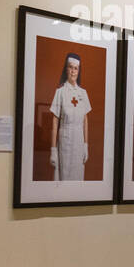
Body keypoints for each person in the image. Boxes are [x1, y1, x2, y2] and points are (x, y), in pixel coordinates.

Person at [49, 53, 90, 181]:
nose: (73, 71)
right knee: (64, 176)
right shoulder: (60, 92)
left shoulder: (83, 93)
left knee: (77, 177)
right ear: (66, 69)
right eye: (70, 67)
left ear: (79, 71)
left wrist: (85, 145)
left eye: (76, 68)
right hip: (65, 140)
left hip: (79, 140)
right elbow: (55, 122)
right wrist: (53, 149)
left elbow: (85, 120)